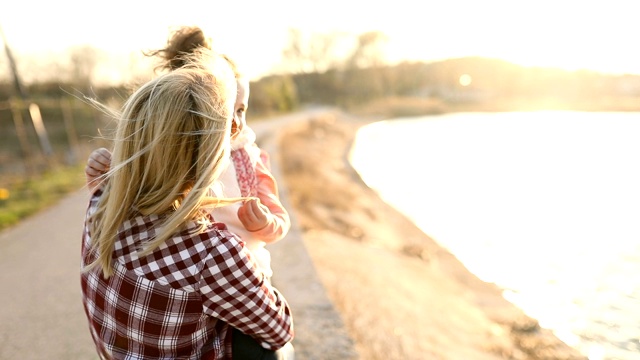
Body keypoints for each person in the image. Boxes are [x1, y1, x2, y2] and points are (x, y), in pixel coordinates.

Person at [84, 26, 294, 360]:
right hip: (228, 277)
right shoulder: (214, 252)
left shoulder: (101, 204)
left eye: (243, 112)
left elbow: (276, 218)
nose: (238, 126)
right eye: (230, 117)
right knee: (275, 350)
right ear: (212, 147)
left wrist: (110, 180)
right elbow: (279, 329)